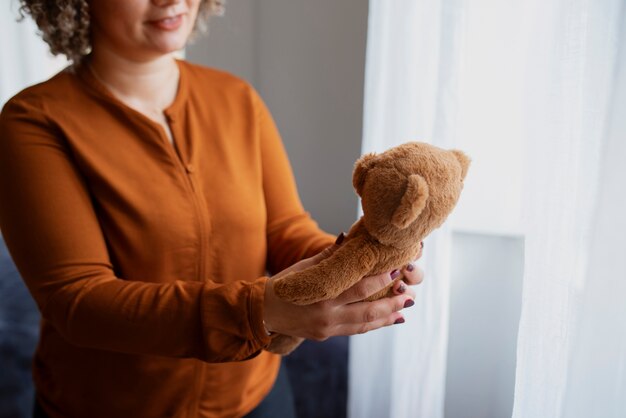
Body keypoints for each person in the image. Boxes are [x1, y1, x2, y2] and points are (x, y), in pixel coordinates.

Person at [0, 0, 425, 417]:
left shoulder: (236, 98)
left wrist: (362, 259)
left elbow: (285, 230)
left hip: (258, 397)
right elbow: (79, 301)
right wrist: (258, 310)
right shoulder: (35, 121)